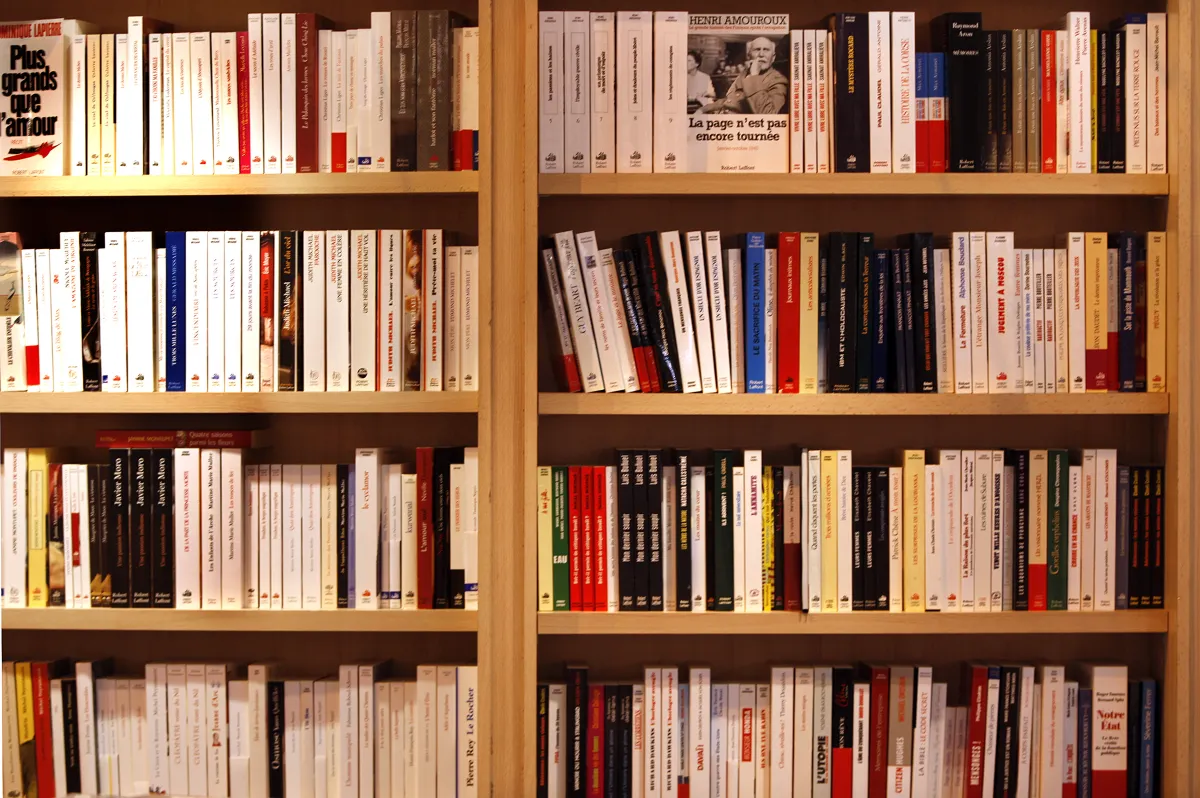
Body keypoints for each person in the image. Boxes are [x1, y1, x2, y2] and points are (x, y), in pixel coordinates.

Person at [698, 36, 786, 114]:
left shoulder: (778, 80)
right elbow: (730, 100)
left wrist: (754, 76)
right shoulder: (745, 73)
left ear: (773, 58)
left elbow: (768, 114)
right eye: (757, 49)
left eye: (766, 50)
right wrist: (703, 109)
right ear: (749, 56)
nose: (761, 54)